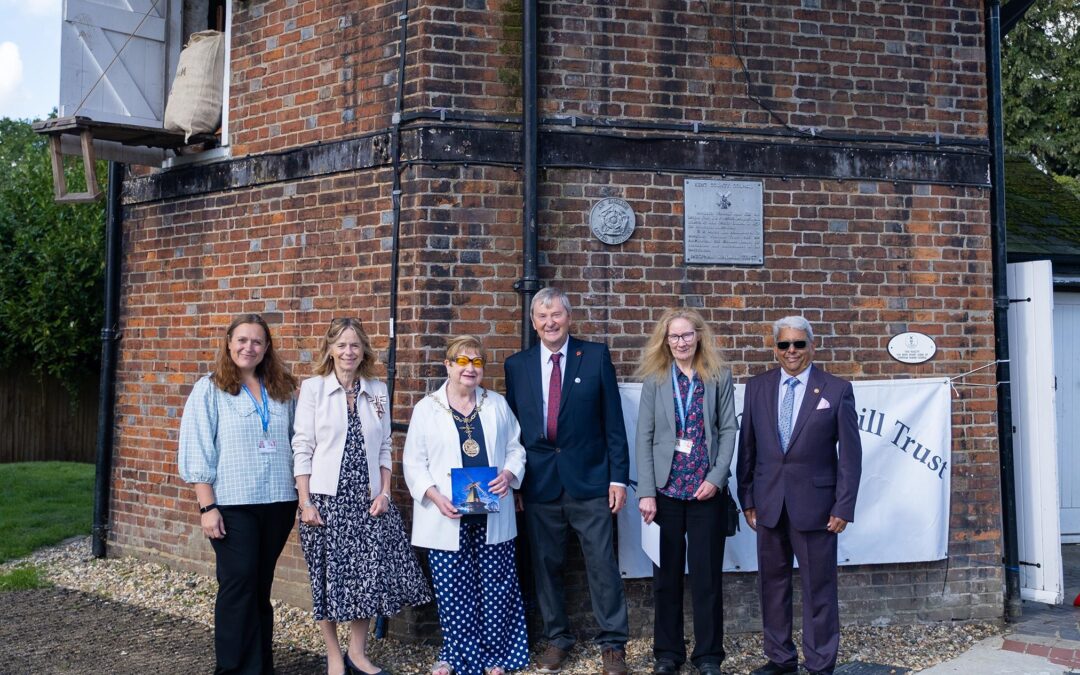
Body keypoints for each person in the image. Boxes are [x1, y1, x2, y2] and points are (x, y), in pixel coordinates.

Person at [292, 318, 432, 675]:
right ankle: (334, 657)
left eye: (354, 345)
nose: (348, 352)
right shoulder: (312, 389)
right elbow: (303, 447)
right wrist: (305, 501)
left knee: (366, 579)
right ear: (330, 350)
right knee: (327, 581)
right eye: (341, 345)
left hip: (367, 501)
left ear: (364, 350)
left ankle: (357, 653)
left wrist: (385, 492)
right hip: (324, 501)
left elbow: (385, 446)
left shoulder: (377, 390)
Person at [503, 287, 631, 675]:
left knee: (602, 565)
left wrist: (619, 479)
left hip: (591, 481)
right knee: (545, 566)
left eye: (556, 315)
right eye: (542, 317)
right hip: (540, 484)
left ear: (568, 317)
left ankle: (613, 644)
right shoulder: (517, 365)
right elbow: (513, 433)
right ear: (533, 323)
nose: (550, 323)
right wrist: (518, 487)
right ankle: (558, 638)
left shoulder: (594, 356)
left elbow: (613, 423)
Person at [736, 316, 863, 675]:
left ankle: (821, 662)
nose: (791, 351)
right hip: (769, 504)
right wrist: (747, 498)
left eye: (798, 344)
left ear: (811, 346)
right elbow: (748, 448)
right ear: (774, 348)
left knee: (818, 589)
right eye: (784, 344)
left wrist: (843, 506)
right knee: (772, 587)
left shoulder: (836, 389)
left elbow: (851, 458)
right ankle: (780, 658)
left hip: (818, 508)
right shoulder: (757, 387)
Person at [178, 314, 299, 675]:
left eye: (257, 342)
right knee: (238, 583)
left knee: (260, 586)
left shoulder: (282, 390)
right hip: (232, 503)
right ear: (229, 344)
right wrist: (207, 505)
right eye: (242, 340)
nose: (250, 347)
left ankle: (260, 667)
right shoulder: (210, 389)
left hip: (278, 500)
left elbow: (299, 441)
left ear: (267, 348)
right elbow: (199, 449)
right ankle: (231, 669)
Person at [402, 335, 529, 675]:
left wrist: (509, 473)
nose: (469, 368)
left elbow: (517, 448)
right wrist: (434, 496)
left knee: (496, 588)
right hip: (447, 514)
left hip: (492, 513)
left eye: (476, 362)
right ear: (448, 365)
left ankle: (495, 657)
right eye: (462, 361)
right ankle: (456, 656)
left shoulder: (497, 404)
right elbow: (413, 462)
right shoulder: (426, 408)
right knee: (453, 592)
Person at [634, 308, 737, 675]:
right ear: (665, 341)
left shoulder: (719, 375)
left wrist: (717, 477)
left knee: (707, 579)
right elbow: (644, 437)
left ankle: (709, 656)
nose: (680, 342)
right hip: (664, 493)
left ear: (698, 336)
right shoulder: (655, 379)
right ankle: (668, 654)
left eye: (687, 335)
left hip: (705, 492)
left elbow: (728, 430)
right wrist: (645, 491)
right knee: (666, 578)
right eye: (673, 336)